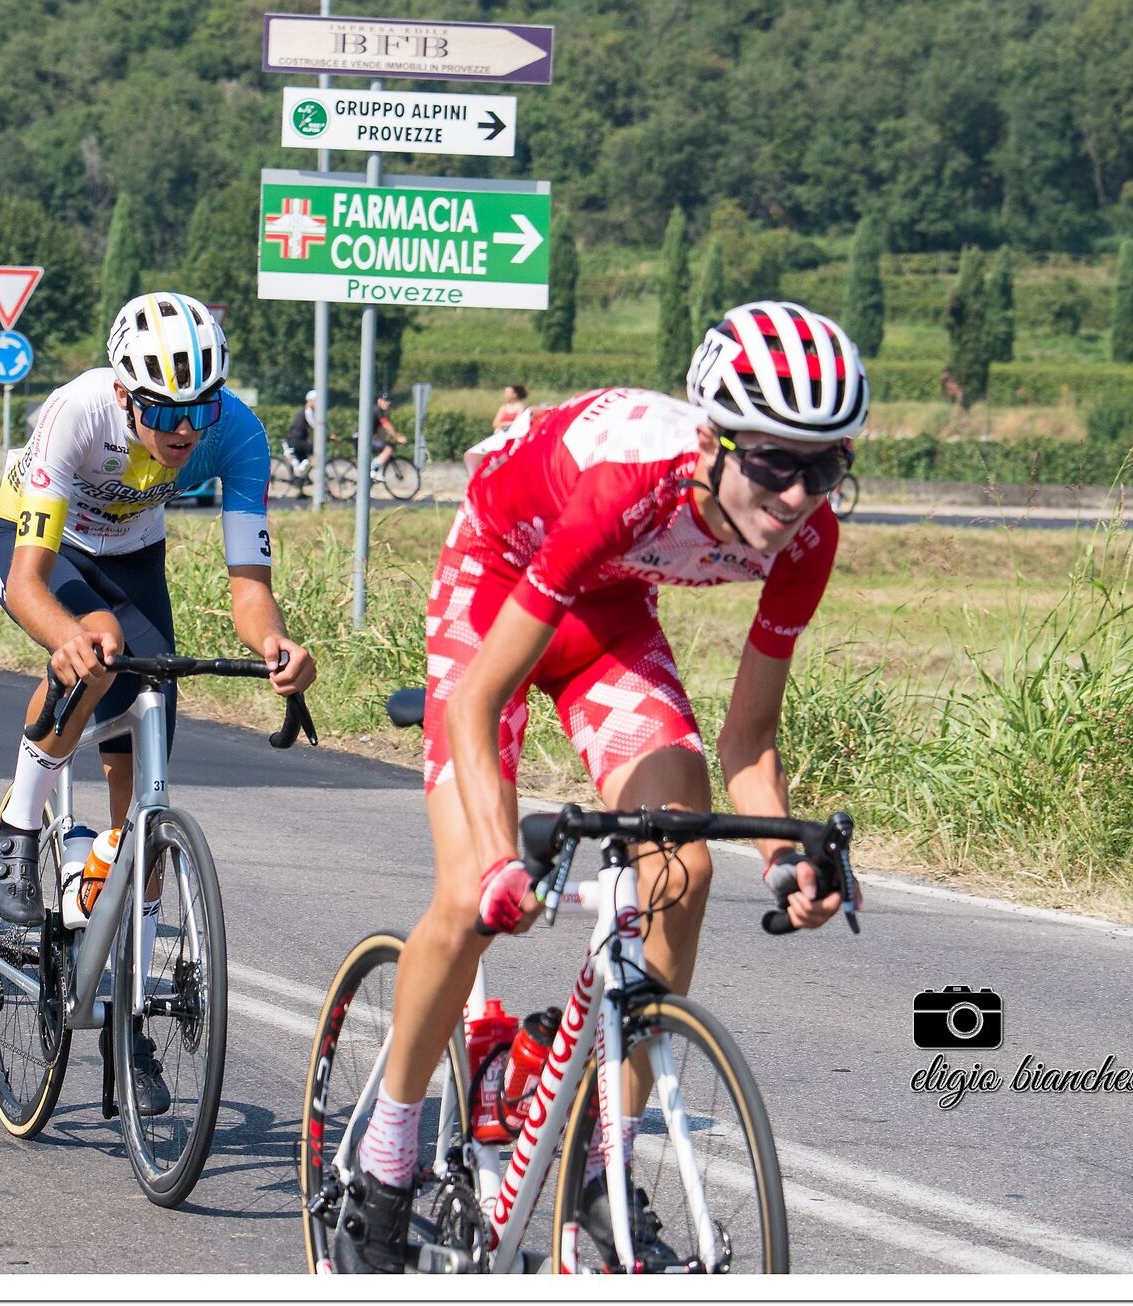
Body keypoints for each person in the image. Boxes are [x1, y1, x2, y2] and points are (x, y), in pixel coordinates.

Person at [329, 301, 865, 1274]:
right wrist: (501, 858)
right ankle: (385, 1163)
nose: (796, 496)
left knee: (683, 865)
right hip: (498, 579)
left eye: (823, 469)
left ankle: (599, 1174)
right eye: (772, 465)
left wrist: (785, 857)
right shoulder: (630, 484)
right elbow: (478, 699)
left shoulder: (806, 540)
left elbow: (748, 739)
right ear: (713, 440)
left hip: (607, 611)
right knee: (470, 894)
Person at [0, 291, 317, 1106]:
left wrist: (275, 643)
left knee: (145, 793)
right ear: (125, 394)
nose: (185, 430)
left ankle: (126, 1012)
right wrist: (64, 637)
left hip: (134, 561)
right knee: (95, 646)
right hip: (41, 549)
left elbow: (249, 589)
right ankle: (20, 826)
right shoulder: (78, 414)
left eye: (201, 407)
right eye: (165, 410)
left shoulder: (238, 435)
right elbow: (27, 580)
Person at [282, 390, 318, 482]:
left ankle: (301, 478)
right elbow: (314, 426)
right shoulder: (308, 411)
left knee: (304, 460)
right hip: (298, 441)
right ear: (311, 401)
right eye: (316, 401)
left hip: (298, 440)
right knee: (317, 450)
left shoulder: (306, 410)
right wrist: (327, 436)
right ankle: (299, 475)